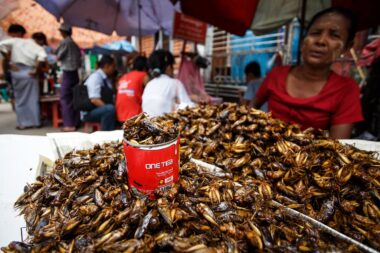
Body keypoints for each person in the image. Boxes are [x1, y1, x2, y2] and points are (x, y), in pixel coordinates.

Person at [252, 7, 363, 139]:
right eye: (315, 33)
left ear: (346, 47)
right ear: (303, 41)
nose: (321, 41)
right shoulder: (276, 74)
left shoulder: (346, 89)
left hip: (311, 157)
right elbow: (250, 110)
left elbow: (338, 145)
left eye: (334, 35)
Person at [0, 26, 48, 129]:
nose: (11, 36)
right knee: (33, 98)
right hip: (31, 72)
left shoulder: (14, 41)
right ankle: (35, 122)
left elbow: (1, 45)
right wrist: (35, 70)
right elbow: (42, 56)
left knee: (20, 99)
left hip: (18, 71)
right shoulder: (33, 44)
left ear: (18, 33)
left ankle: (23, 124)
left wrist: (8, 60)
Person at [142, 49, 194, 117]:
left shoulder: (149, 84)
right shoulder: (175, 83)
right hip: (165, 125)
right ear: (169, 68)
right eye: (173, 66)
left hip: (147, 124)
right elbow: (188, 108)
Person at [56, 23, 81, 132]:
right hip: (75, 73)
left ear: (63, 32)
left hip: (68, 72)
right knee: (73, 98)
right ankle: (75, 122)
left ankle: (69, 124)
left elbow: (59, 56)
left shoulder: (65, 42)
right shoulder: (74, 44)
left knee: (65, 98)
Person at [82, 55, 116, 131]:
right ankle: (107, 136)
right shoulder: (96, 77)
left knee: (111, 108)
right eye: (113, 67)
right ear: (107, 66)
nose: (114, 69)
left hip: (98, 109)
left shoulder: (106, 78)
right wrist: (109, 108)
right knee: (110, 109)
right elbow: (94, 100)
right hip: (89, 112)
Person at [116, 56, 149, 122]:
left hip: (119, 115)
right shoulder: (144, 75)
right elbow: (151, 93)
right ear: (145, 67)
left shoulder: (124, 76)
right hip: (135, 116)